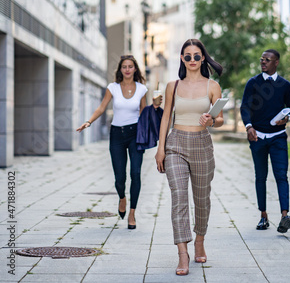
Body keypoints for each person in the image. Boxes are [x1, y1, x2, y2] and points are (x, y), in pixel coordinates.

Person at [155, 39, 223, 276]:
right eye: (187, 56)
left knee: (202, 199)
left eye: (196, 56)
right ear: (182, 59)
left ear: (203, 58)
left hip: (202, 144)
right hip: (176, 145)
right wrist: (160, 148)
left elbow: (220, 119)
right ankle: (182, 254)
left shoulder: (212, 86)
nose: (192, 60)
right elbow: (165, 118)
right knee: (179, 198)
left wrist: (211, 120)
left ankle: (200, 239)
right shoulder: (173, 85)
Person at [77, 54, 162, 230]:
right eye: (124, 66)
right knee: (120, 178)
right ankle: (122, 197)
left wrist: (153, 108)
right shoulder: (113, 88)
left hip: (135, 134)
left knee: (136, 173)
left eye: (131, 66)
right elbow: (102, 107)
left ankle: (132, 212)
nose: (128, 69)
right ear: (120, 70)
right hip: (116, 134)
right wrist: (89, 121)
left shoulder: (141, 89)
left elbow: (143, 113)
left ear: (135, 69)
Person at [240, 49, 290, 233]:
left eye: (267, 60)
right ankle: (263, 216)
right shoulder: (253, 83)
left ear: (276, 62)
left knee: (281, 175)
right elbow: (245, 107)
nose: (263, 62)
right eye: (262, 59)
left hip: (278, 137)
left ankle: (284, 217)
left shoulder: (285, 85)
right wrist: (249, 127)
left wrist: (287, 118)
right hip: (258, 137)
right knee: (260, 177)